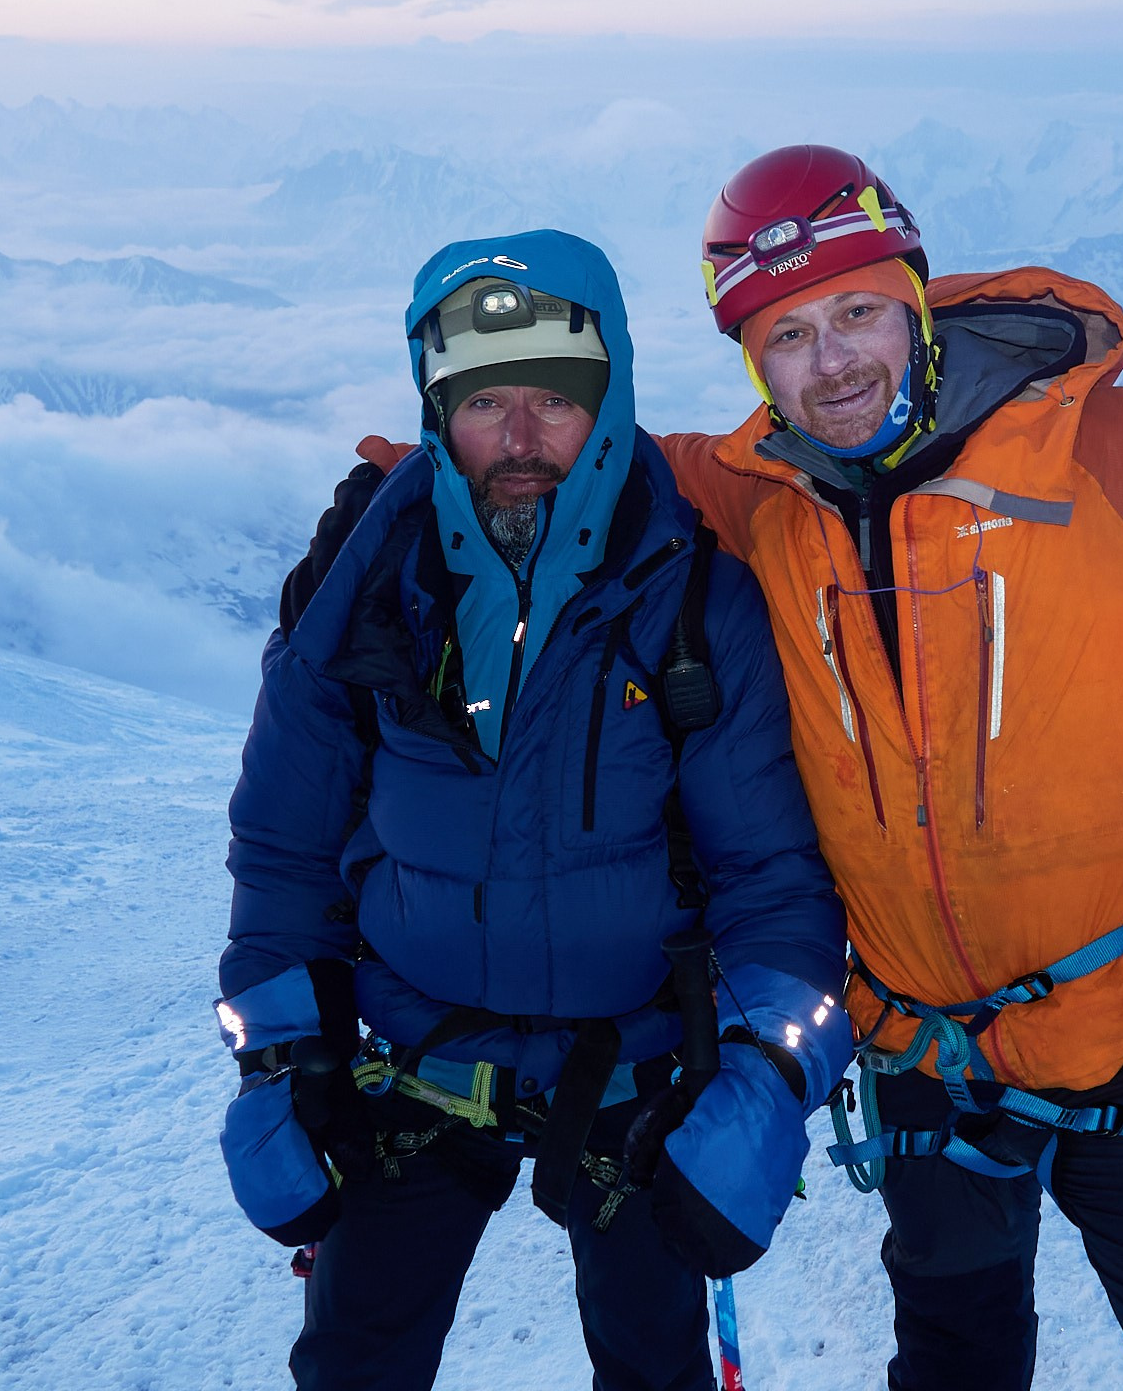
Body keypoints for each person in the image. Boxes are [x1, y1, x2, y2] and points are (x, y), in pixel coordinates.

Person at [644, 85, 1123, 1391]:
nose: (833, 362)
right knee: (955, 1363)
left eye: (856, 312)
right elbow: (557, 466)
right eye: (788, 335)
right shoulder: (752, 500)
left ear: (915, 302)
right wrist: (385, 492)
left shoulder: (1113, 455)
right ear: (752, 361)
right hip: (923, 1052)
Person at [215, 229, 850, 1391]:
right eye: (483, 402)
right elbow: (284, 843)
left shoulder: (692, 594)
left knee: (651, 1364)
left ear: (607, 402)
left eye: (553, 401)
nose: (517, 441)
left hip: (637, 1071)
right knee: (354, 1362)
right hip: (414, 1058)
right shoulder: (366, 582)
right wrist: (281, 1056)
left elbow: (771, 877)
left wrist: (765, 1074)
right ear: (433, 408)